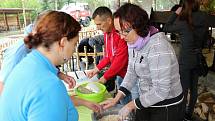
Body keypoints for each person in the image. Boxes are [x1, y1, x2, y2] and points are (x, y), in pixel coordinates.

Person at [0, 10, 101, 121]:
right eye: (74, 44)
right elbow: (47, 95)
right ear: (63, 43)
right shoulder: (48, 84)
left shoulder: (29, 64)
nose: (74, 49)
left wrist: (83, 102)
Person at [102, 3, 183, 121]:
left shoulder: (158, 47)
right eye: (118, 32)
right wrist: (116, 98)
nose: (121, 37)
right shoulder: (133, 42)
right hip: (146, 100)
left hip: (166, 106)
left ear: (138, 26)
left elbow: (161, 91)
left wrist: (130, 105)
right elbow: (131, 72)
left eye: (125, 31)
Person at [0, 13, 75, 95]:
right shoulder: (19, 53)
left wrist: (61, 75)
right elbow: (3, 88)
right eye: (74, 44)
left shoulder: (41, 53)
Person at [163, 0, 208, 120]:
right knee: (194, 89)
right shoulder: (203, 18)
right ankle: (188, 115)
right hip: (197, 58)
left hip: (185, 60)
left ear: (185, 7)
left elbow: (166, 27)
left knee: (183, 89)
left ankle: (181, 116)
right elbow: (205, 39)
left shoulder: (183, 21)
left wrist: (175, 13)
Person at [87, 7, 133, 104]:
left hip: (130, 76)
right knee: (123, 103)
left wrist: (104, 78)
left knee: (130, 105)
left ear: (109, 20)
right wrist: (96, 69)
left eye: (99, 24)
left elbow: (120, 60)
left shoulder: (120, 34)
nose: (97, 28)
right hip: (120, 75)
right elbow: (108, 56)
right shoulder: (106, 34)